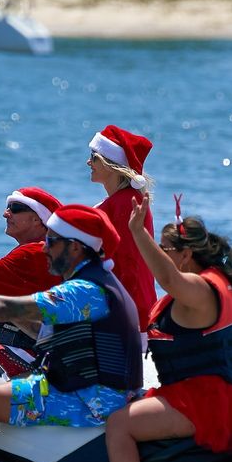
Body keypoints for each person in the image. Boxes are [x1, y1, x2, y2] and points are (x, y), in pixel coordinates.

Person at [0, 204, 143, 462]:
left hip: (90, 402)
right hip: (101, 392)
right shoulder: (100, 280)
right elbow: (43, 333)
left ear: (74, 248)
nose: (44, 248)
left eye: (51, 242)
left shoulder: (83, 290)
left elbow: (8, 306)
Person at [105, 194, 232, 462]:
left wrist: (137, 232)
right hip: (213, 395)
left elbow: (168, 278)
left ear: (185, 255)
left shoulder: (199, 290)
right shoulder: (214, 284)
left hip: (207, 402)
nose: (158, 254)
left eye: (164, 249)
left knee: (119, 424)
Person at [87, 125, 158, 330]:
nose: (88, 162)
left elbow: (128, 263)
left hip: (126, 314)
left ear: (110, 164)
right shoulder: (124, 200)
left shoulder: (126, 203)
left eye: (94, 156)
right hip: (131, 308)